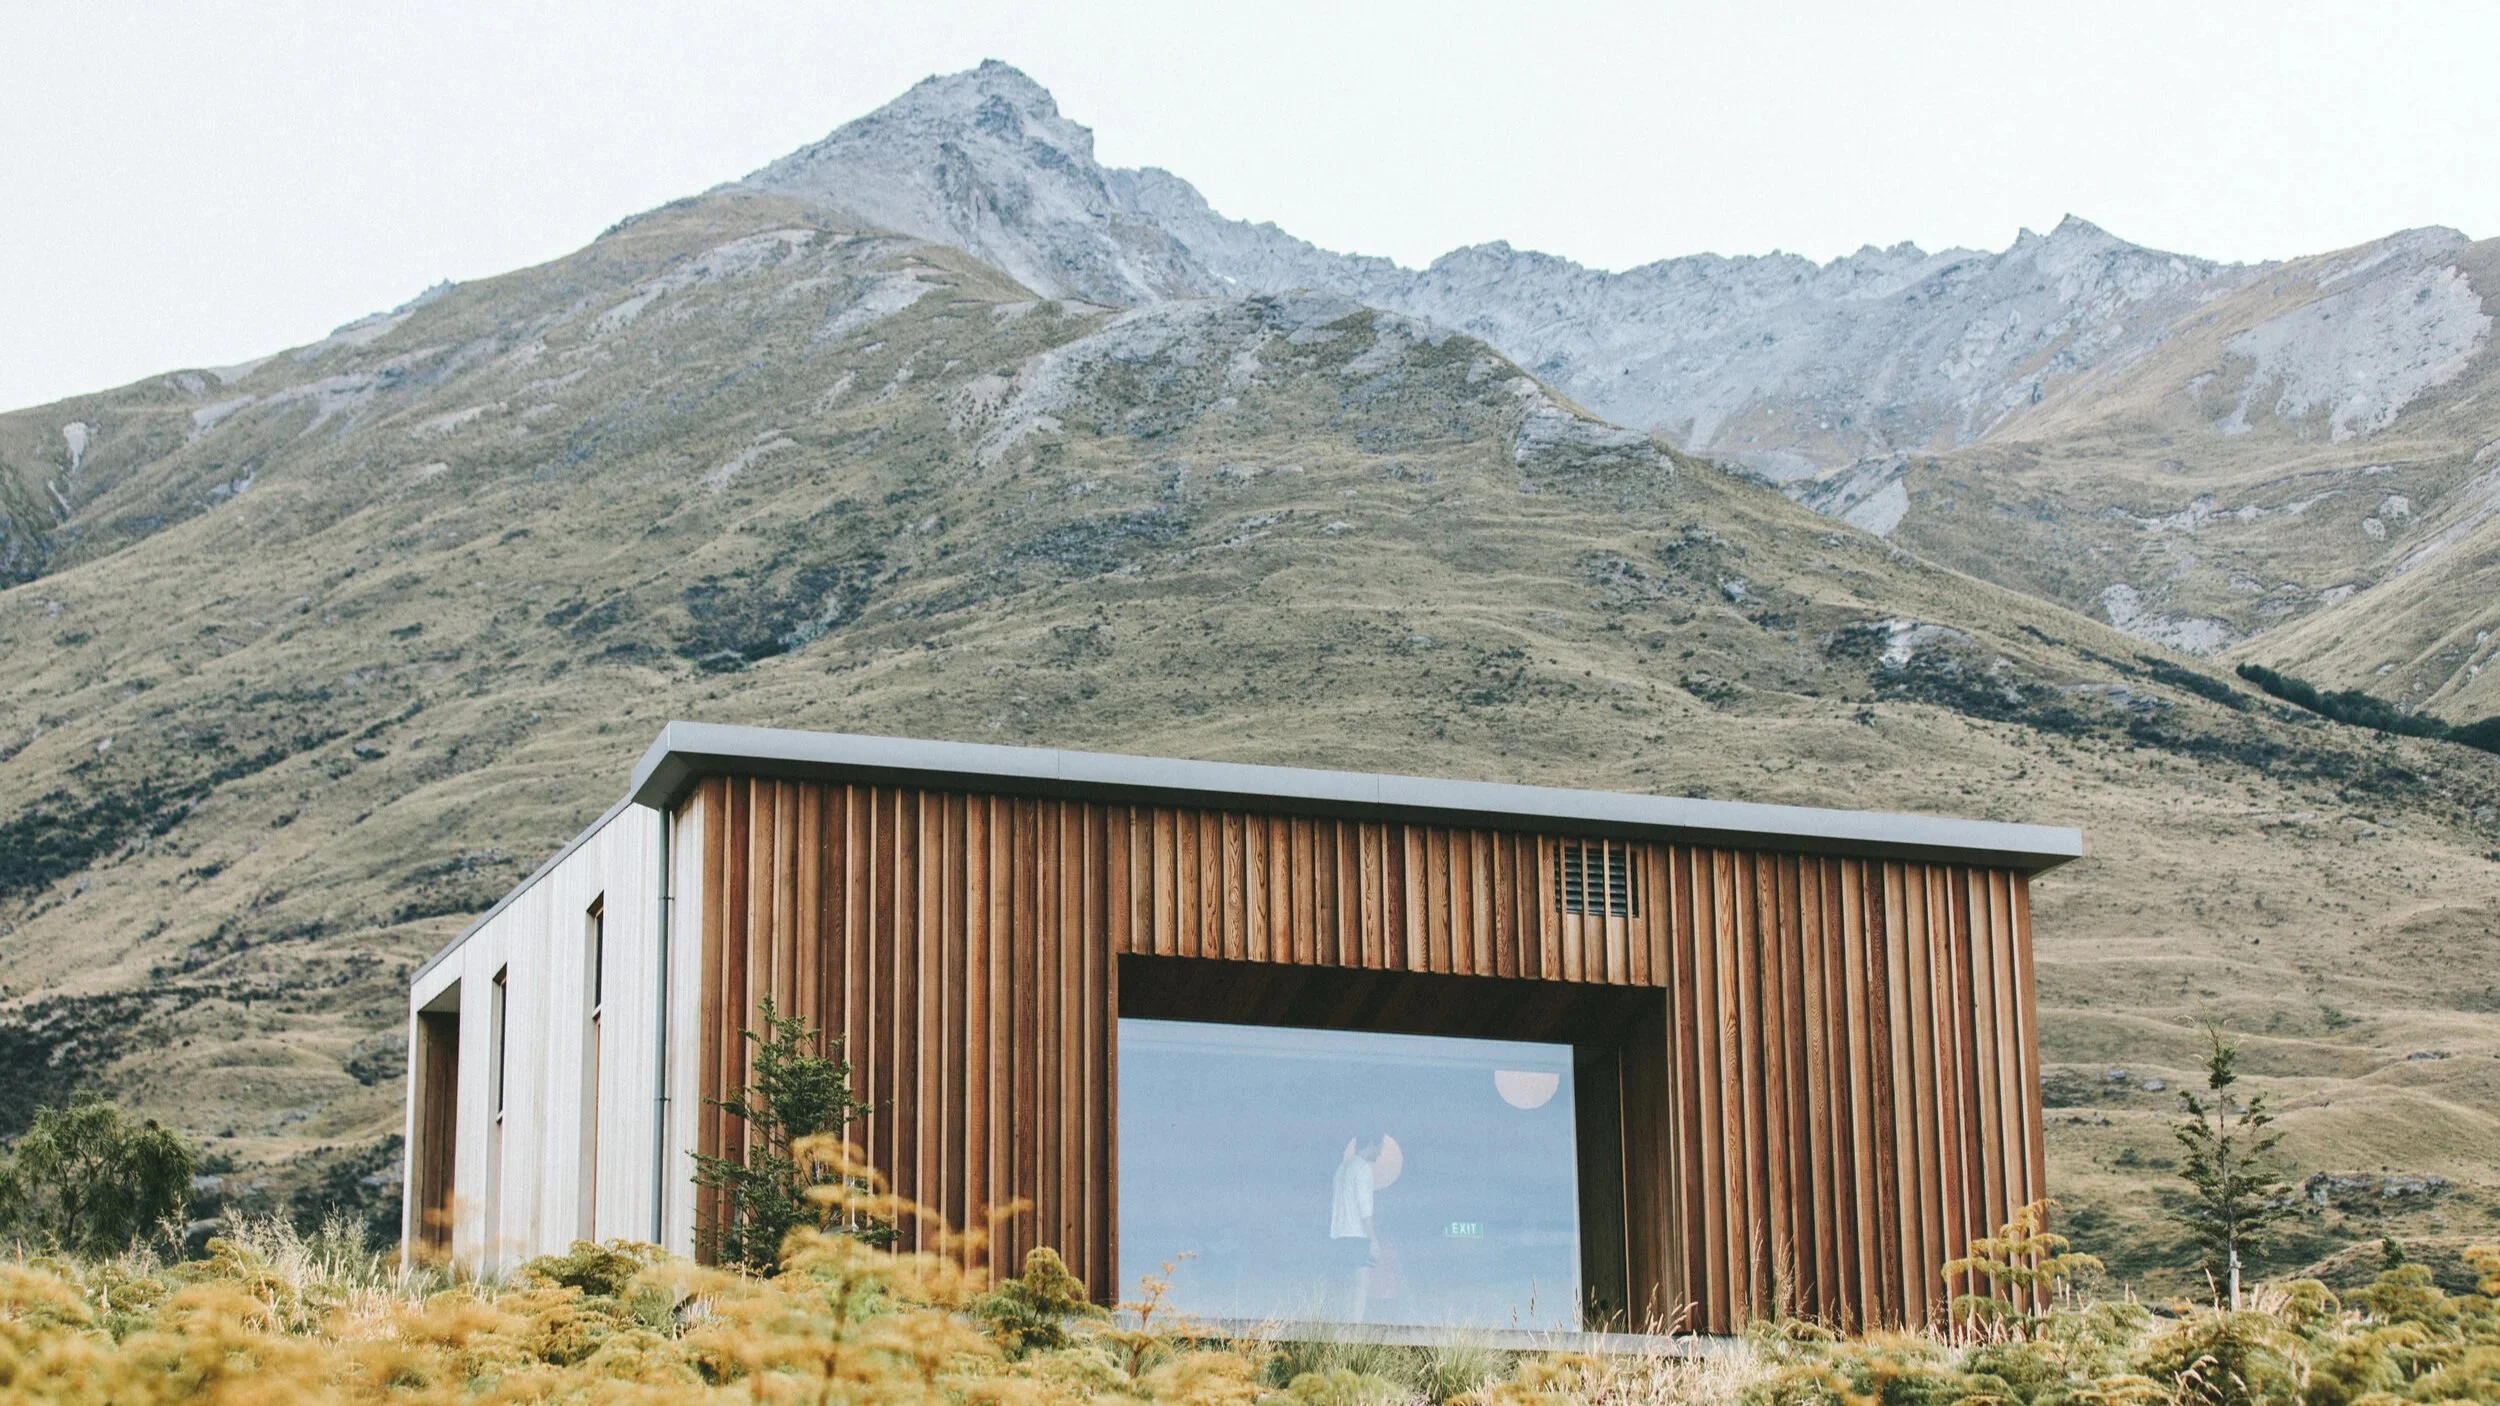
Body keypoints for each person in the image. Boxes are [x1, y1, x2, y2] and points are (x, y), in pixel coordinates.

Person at [1328, 1134, 1384, 1322]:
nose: (1381, 1152)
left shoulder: (1341, 1168)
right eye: (1379, 1146)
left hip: (1338, 1234)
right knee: (1361, 1285)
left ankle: (1340, 1325)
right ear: (1370, 1144)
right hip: (1356, 1236)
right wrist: (1373, 1239)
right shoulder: (1362, 1168)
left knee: (1344, 1285)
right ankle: (1354, 1329)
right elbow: (1364, 1207)